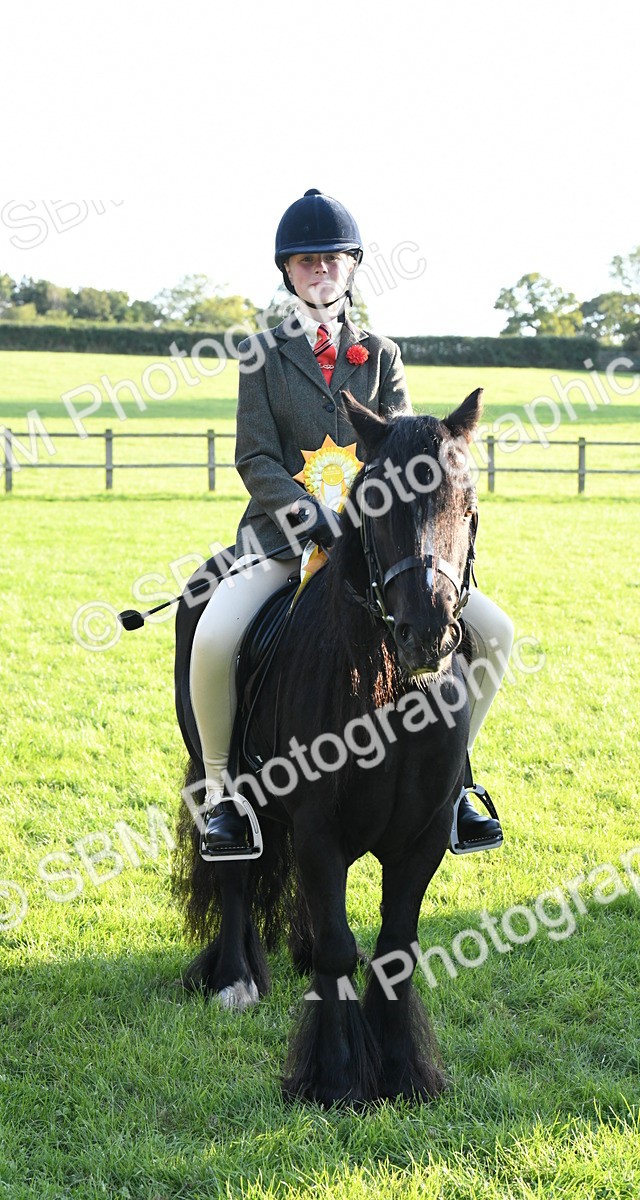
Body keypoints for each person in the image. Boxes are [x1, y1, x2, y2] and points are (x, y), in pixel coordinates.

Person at [189, 188, 513, 860]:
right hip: (283, 542)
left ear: (352, 267)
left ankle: (456, 785)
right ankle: (224, 797)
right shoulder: (263, 355)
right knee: (216, 636)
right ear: (288, 272)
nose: (320, 271)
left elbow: (410, 448)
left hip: (377, 548)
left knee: (497, 633)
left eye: (332, 260)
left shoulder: (382, 354)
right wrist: (309, 518)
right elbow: (254, 456)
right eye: (307, 262)